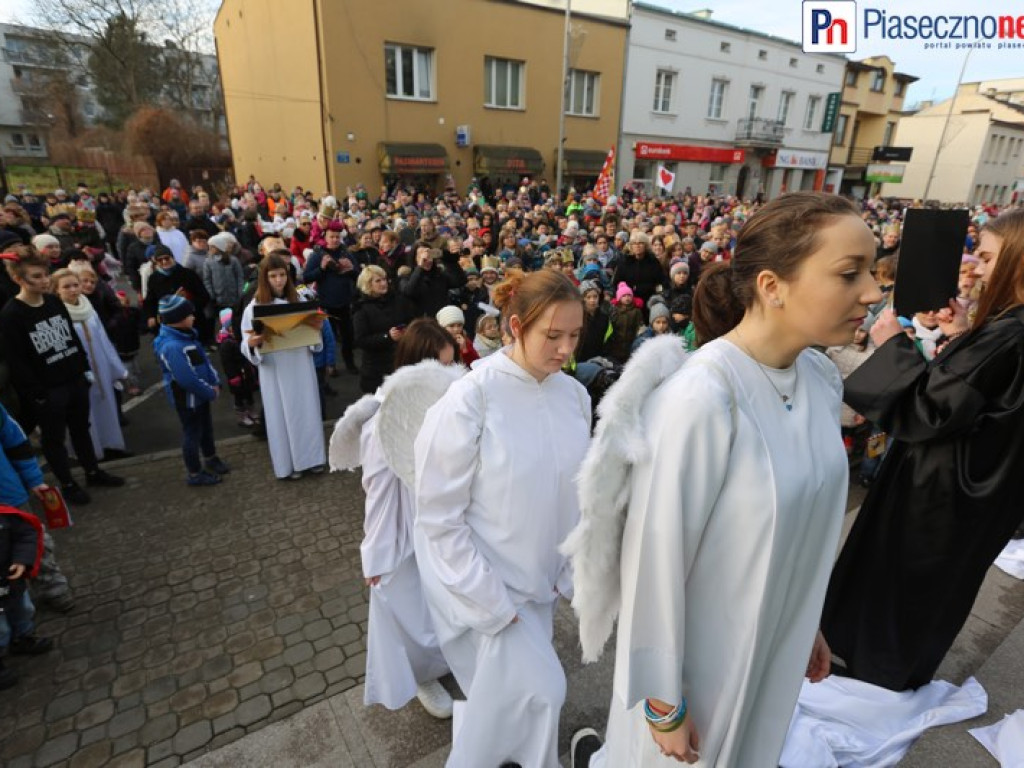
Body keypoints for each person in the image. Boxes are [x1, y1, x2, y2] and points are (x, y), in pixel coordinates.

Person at [564, 192, 881, 768]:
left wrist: (804, 620)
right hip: (701, 669)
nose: (874, 292)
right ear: (771, 285)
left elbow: (802, 519)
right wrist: (663, 703)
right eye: (849, 273)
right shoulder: (702, 398)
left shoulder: (817, 376)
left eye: (873, 270)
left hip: (774, 652)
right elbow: (653, 563)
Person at [821, 208, 1024, 692]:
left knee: (900, 584)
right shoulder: (1005, 330)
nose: (976, 267)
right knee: (936, 590)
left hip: (940, 493)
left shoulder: (1008, 335)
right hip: (977, 495)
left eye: (990, 258)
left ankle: (872, 670)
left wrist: (892, 346)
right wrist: (962, 335)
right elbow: (978, 401)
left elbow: (930, 412)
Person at [414, 269, 591, 767]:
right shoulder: (472, 398)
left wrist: (569, 570)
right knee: (544, 692)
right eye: (552, 336)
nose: (565, 349)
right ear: (515, 326)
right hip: (486, 589)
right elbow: (437, 517)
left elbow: (575, 490)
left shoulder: (573, 394)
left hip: (541, 583)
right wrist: (488, 601)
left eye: (574, 336)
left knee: (507, 708)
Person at [329, 319, 460, 719]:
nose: (447, 377)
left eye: (450, 367)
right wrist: (377, 554)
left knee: (444, 601)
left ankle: (449, 658)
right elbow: (380, 494)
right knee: (409, 605)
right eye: (438, 368)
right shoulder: (386, 419)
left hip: (440, 518)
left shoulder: (443, 403)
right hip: (406, 524)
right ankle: (422, 674)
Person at [0, 245, 124, 505]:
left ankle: (92, 471)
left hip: (74, 379)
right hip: (48, 389)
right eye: (37, 277)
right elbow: (17, 361)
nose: (45, 280)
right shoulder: (12, 314)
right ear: (18, 279)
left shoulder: (54, 301)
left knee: (82, 428)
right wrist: (37, 395)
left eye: (45, 274)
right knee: (54, 438)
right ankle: (67, 483)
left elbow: (70, 337)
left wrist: (83, 369)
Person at [241, 255, 327, 479]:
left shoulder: (298, 300)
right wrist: (251, 344)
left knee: (307, 411)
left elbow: (315, 334)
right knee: (282, 416)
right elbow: (245, 339)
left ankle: (312, 459)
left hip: (300, 363)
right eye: (273, 276)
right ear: (264, 278)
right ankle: (290, 464)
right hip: (275, 368)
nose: (278, 280)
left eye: (282, 275)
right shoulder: (255, 307)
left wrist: (315, 330)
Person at [51, 269, 128, 461]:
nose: (73, 289)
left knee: (106, 405)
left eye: (75, 285)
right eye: (66, 287)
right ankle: (91, 451)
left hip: (101, 367)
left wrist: (115, 369)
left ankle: (111, 444)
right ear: (56, 291)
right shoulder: (57, 314)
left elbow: (103, 340)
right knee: (86, 413)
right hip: (79, 371)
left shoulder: (88, 308)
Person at [153, 295, 230, 486]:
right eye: (189, 314)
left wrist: (215, 380)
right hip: (188, 400)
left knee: (206, 429)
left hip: (201, 397)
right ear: (177, 318)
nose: (194, 317)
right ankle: (195, 473)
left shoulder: (187, 335)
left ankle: (211, 457)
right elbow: (187, 379)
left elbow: (204, 361)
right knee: (192, 434)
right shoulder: (172, 346)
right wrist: (210, 392)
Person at [0, 501, 53, 690]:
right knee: (1, 628)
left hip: (10, 583)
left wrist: (21, 560)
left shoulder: (5, 516)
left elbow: (25, 534)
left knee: (23, 610)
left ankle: (22, 637)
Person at [352, 265, 410, 393]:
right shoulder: (361, 309)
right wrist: (387, 337)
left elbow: (408, 319)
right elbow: (360, 340)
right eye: (378, 281)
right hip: (375, 370)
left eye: (384, 279)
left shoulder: (397, 300)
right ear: (368, 284)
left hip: (399, 362)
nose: (384, 283)